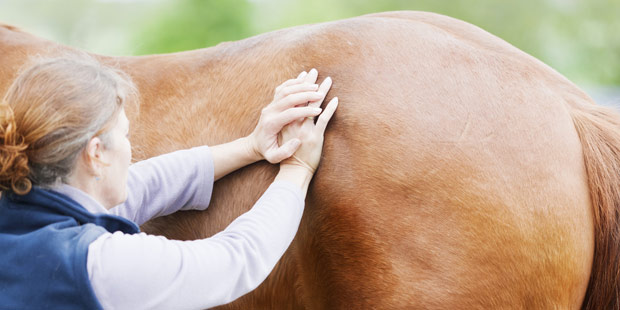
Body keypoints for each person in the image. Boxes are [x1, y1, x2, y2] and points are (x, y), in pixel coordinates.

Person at [0, 55, 338, 309]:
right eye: (125, 134)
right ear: (96, 154)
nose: (131, 150)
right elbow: (235, 260)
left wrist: (250, 147)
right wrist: (297, 168)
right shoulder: (95, 264)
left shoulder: (19, 209)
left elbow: (146, 184)